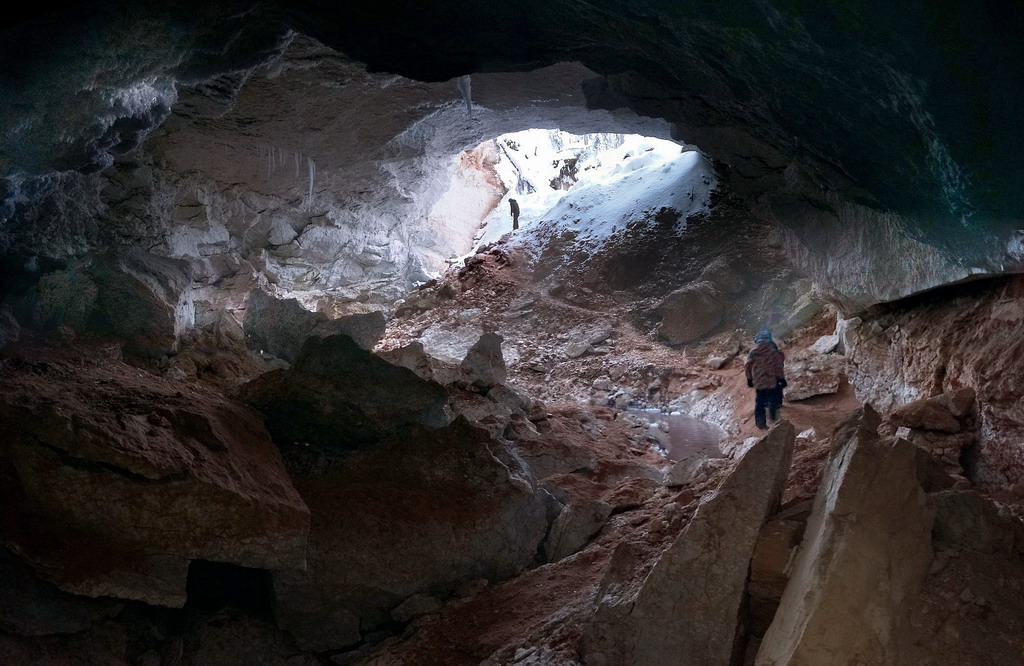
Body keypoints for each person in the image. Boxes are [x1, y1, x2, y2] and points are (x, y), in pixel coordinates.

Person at [744, 328, 786, 429]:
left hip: (759, 382)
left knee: (760, 402)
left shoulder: (753, 352)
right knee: (773, 400)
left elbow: (747, 366)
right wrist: (781, 378)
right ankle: (773, 419)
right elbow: (778, 366)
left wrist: (749, 379)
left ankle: (760, 423)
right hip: (772, 381)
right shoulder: (773, 351)